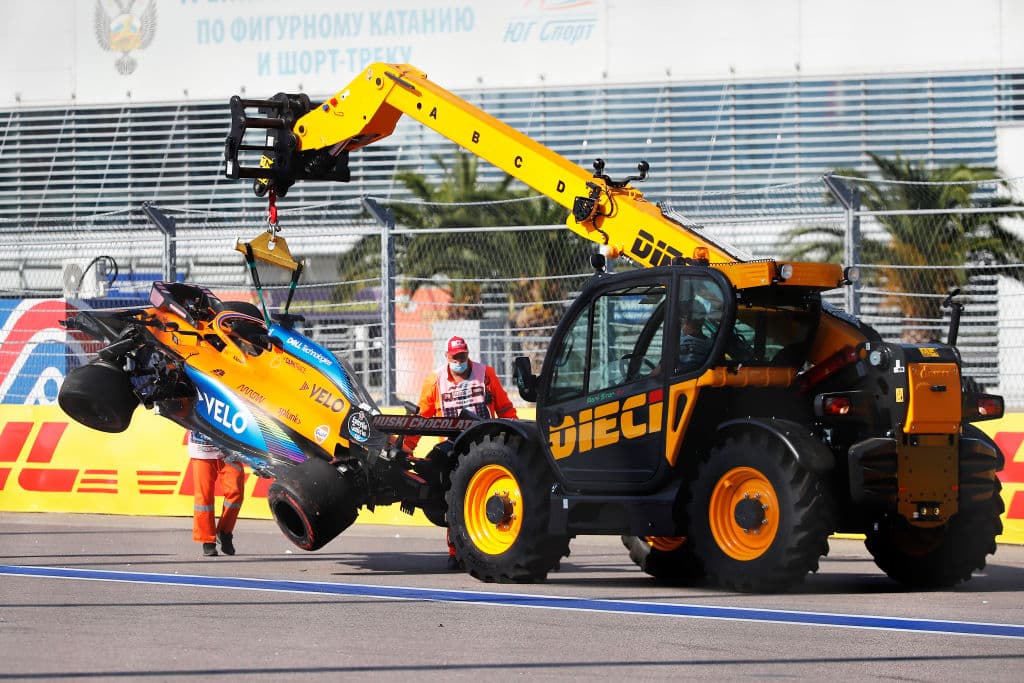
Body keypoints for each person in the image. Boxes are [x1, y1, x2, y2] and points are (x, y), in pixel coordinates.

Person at [406, 335, 518, 568]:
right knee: (454, 501)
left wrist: (516, 438)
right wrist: (406, 447)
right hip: (452, 450)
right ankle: (455, 551)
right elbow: (420, 419)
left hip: (488, 447)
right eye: (455, 357)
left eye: (463, 356)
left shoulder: (486, 374)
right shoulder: (435, 381)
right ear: (447, 357)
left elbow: (505, 408)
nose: (460, 360)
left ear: (468, 354)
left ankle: (493, 546)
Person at [188, 430, 245, 557]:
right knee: (204, 498)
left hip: (230, 449)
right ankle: (207, 541)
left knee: (236, 492)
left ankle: (224, 532)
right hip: (202, 450)